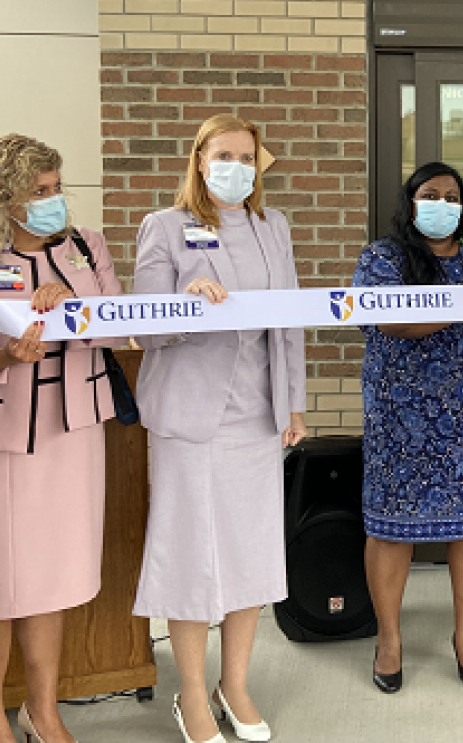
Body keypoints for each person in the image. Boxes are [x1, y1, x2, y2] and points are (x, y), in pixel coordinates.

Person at [0, 134, 122, 743]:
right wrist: (2, 358)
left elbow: (116, 326)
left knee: (52, 581)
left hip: (75, 436)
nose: (53, 200)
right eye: (39, 191)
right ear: (3, 198)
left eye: (56, 187)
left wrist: (74, 306)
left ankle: (44, 714)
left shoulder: (87, 248)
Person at [130, 113, 307, 743]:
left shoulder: (273, 226)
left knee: (249, 552)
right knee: (190, 557)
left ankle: (233, 683)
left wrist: (293, 405)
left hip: (255, 418)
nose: (237, 165)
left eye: (247, 156)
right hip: (189, 419)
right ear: (200, 159)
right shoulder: (165, 226)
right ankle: (190, 693)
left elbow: (287, 319)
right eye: (224, 153)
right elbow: (146, 327)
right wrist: (185, 297)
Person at [353, 162, 463, 694]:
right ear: (411, 203)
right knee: (388, 527)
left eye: (453, 197)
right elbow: (391, 321)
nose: (443, 204)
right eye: (431, 194)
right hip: (400, 417)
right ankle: (389, 641)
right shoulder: (384, 258)